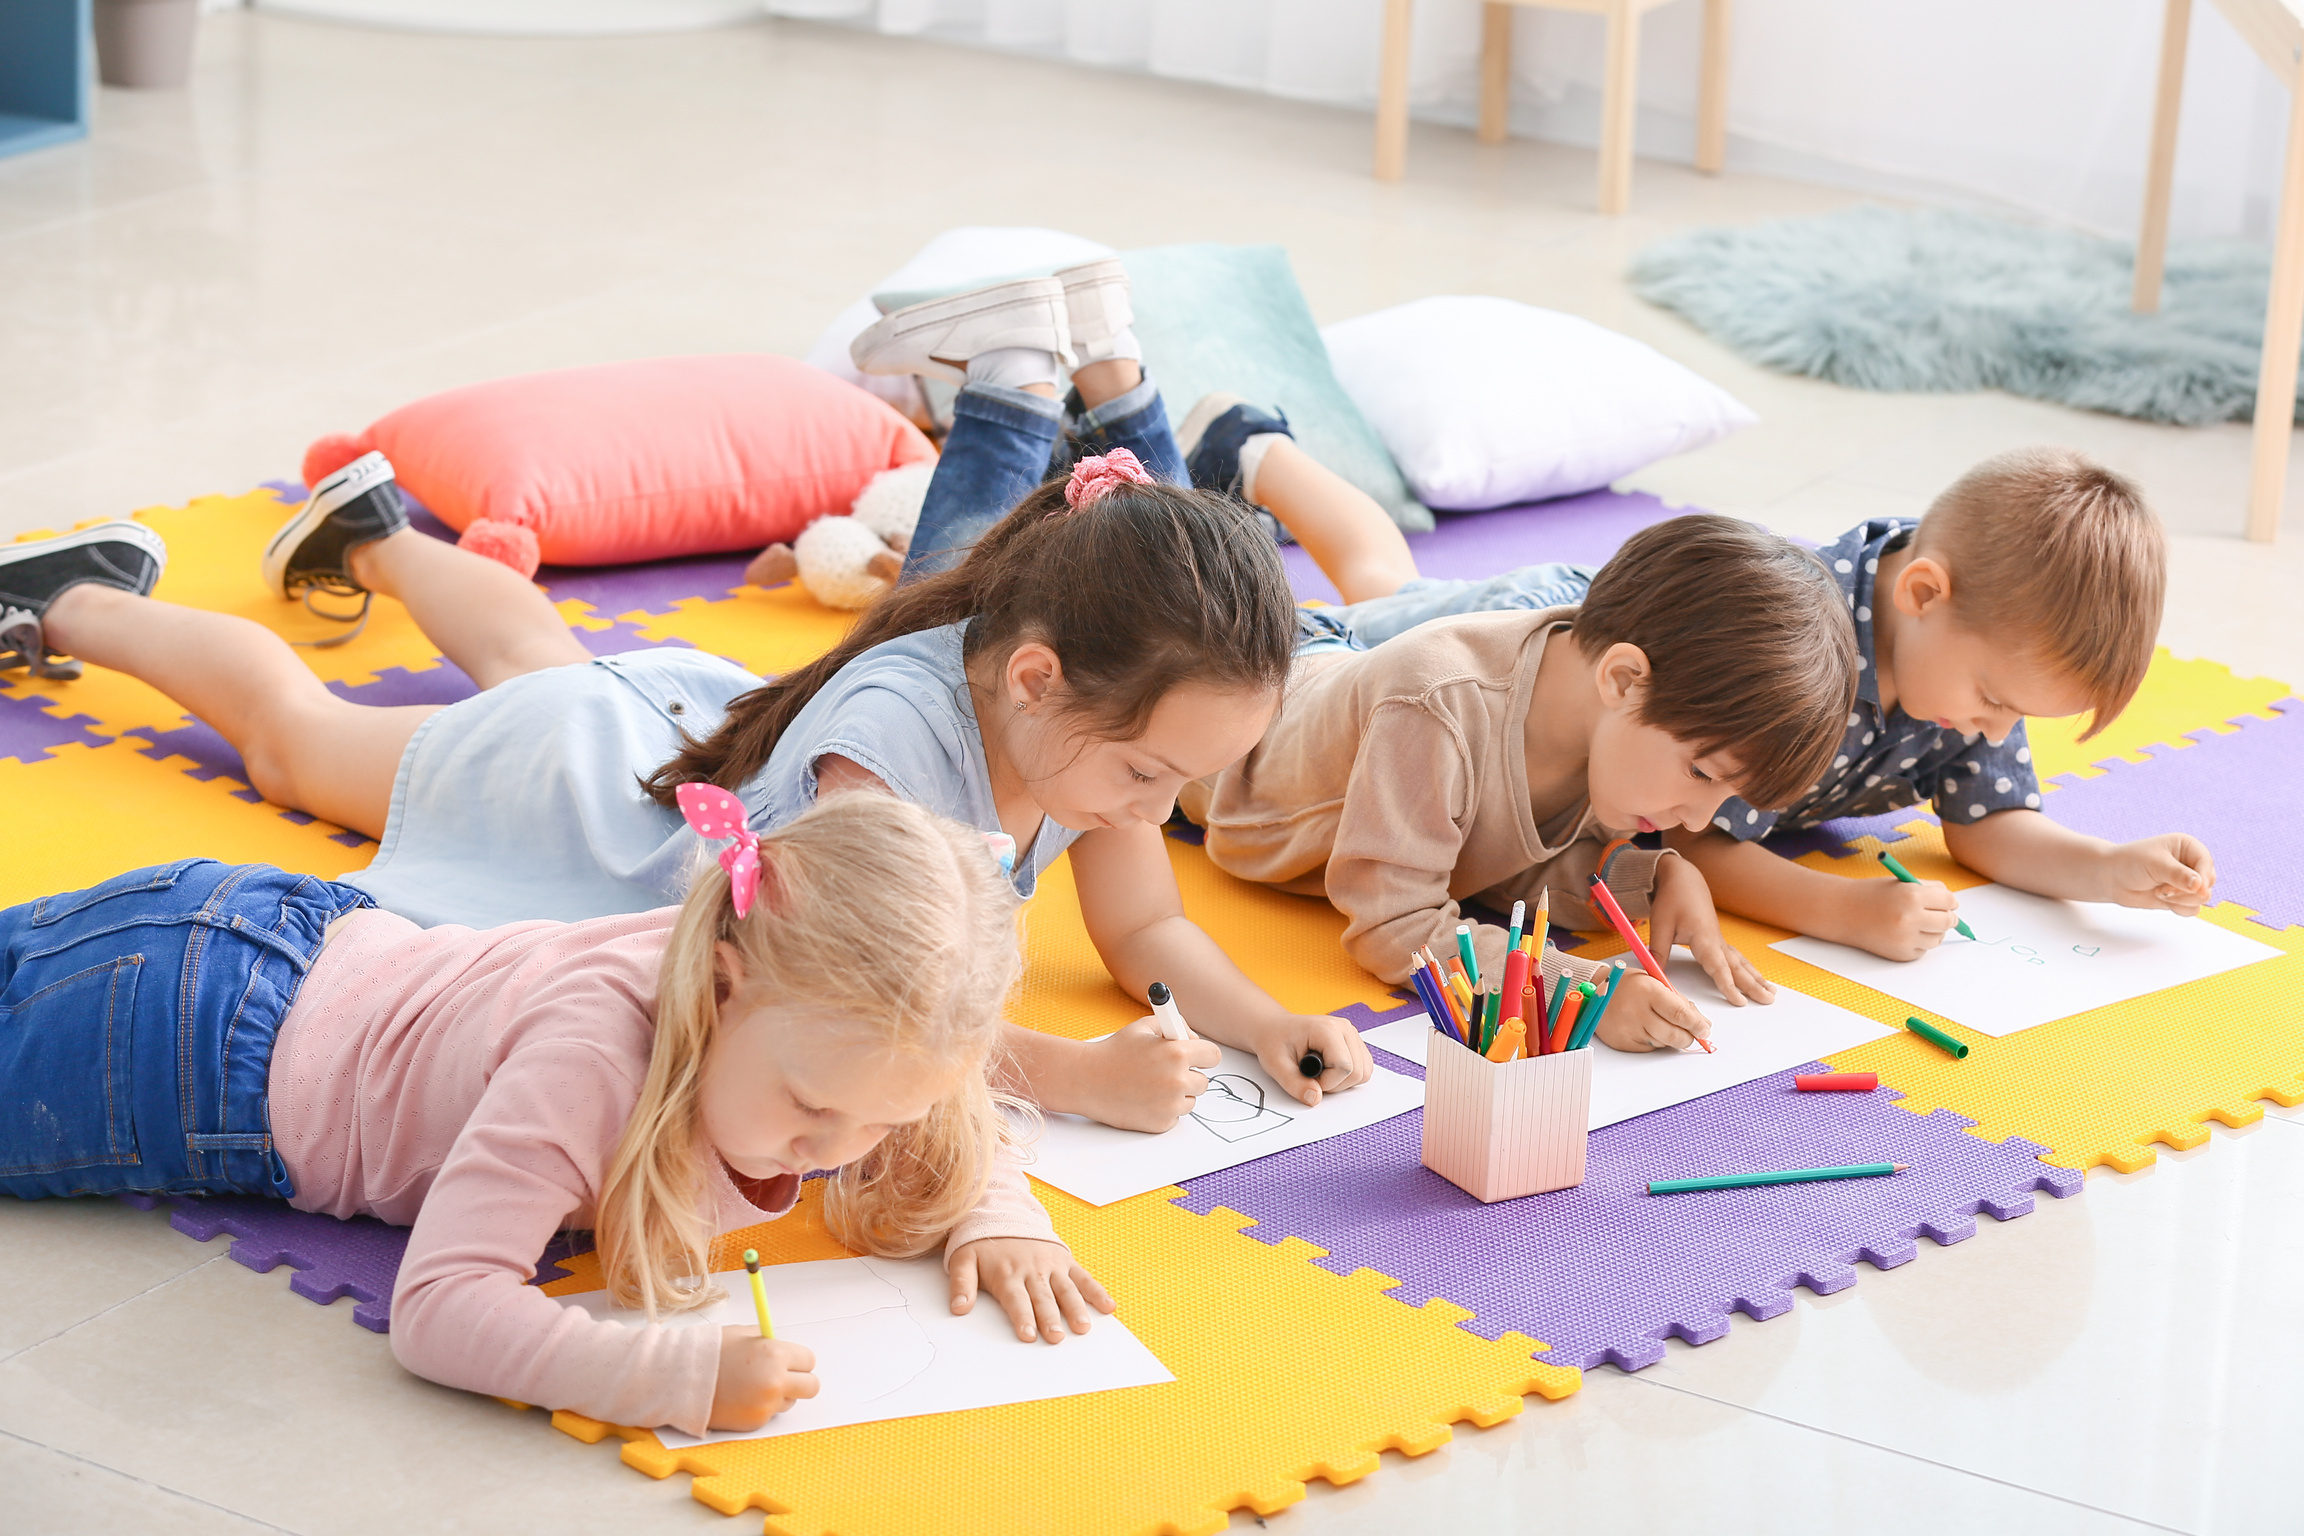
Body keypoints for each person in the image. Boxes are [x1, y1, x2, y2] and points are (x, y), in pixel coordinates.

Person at [0, 261, 1372, 1137]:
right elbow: (831, 1000)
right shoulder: (884, 769)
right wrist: (1064, 1077)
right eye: (1151, 779)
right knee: (302, 749)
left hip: (675, 735)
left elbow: (1141, 928)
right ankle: (69, 600)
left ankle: (373, 529)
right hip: (587, 813)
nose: (1161, 806)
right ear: (1036, 682)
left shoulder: (1095, 736)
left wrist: (1259, 1020)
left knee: (543, 663)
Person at [0, 793, 1107, 1438]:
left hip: (277, 929)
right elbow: (440, 1309)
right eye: (813, 1110)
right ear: (723, 989)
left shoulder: (833, 1027)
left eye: (881, 1121)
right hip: (186, 1053)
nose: (838, 1152)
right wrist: (672, 1380)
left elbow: (938, 1102)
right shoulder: (592, 1059)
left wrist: (1000, 1212)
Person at [1177, 513, 1862, 1053]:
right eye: (1704, 774)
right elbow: (1395, 926)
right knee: (1164, 546)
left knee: (1381, 581)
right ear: (1622, 680)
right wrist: (1580, 992)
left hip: (1356, 664)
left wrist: (1646, 877)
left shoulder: (1609, 728)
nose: (1694, 818)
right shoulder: (1435, 708)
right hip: (1248, 686)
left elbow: (1499, 857)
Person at [1664, 449, 2215, 959]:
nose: (1998, 732)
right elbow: (1692, 839)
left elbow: (1989, 821)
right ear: (1923, 594)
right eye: (1994, 700)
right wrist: (1843, 909)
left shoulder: (1965, 647)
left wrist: (2107, 869)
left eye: (2017, 713)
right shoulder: (1786, 648)